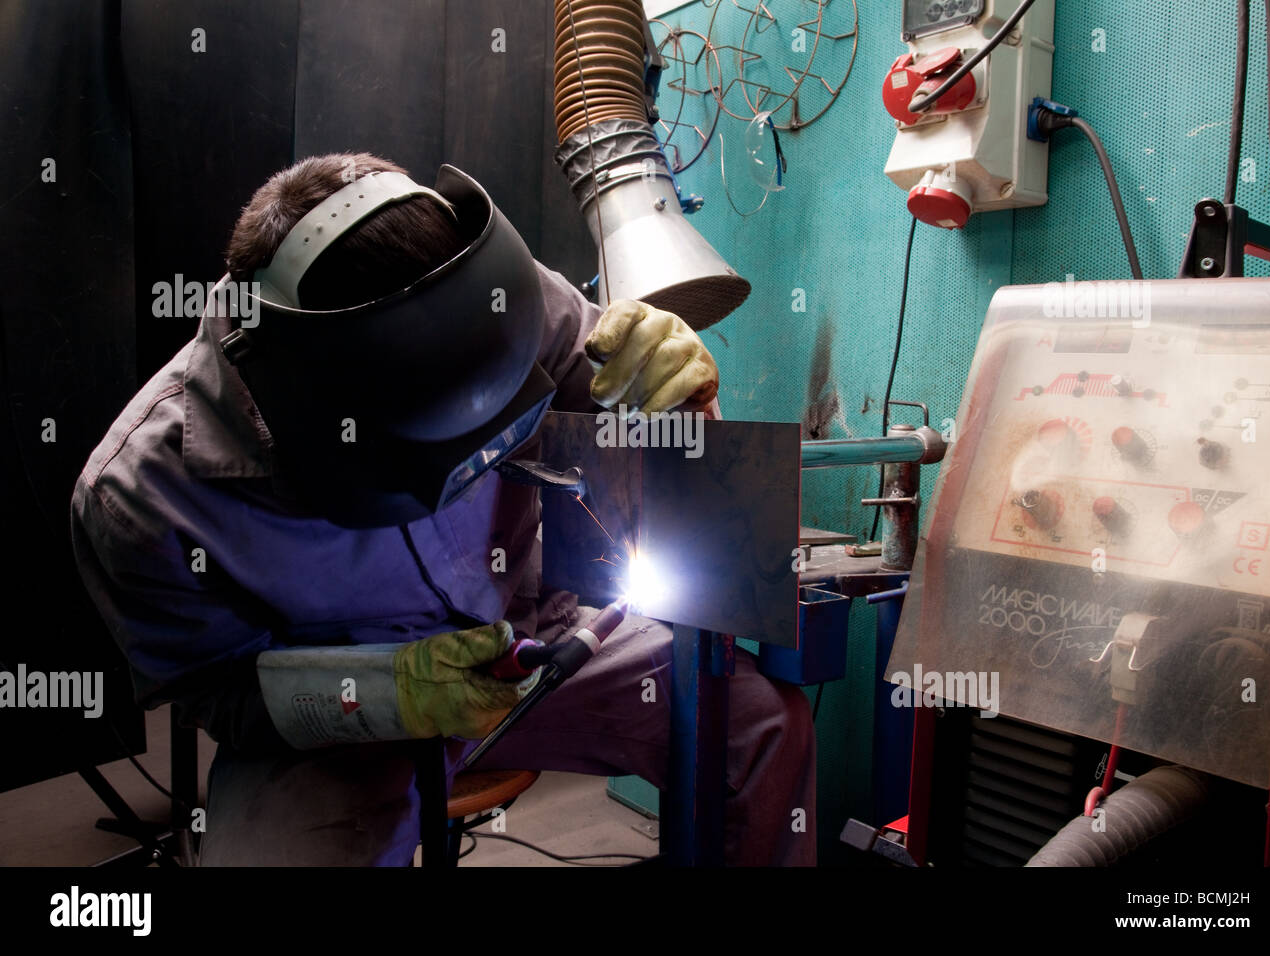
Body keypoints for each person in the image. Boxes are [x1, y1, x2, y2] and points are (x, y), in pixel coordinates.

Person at [71, 152, 815, 865]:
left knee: (759, 731)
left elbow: (642, 435)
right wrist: (384, 692)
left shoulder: (503, 299)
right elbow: (218, 692)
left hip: (539, 639)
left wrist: (681, 402)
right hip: (349, 718)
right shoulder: (142, 495)